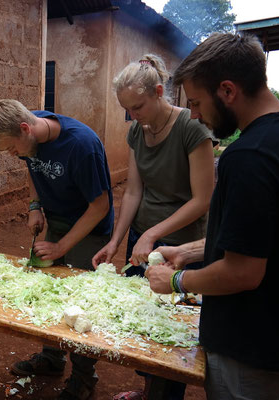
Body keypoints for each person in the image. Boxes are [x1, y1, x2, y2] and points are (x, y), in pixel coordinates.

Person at [145, 33, 279, 400]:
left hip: (254, 351)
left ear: (227, 91)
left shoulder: (248, 156)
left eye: (195, 102)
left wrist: (176, 280)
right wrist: (189, 252)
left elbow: (243, 272)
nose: (193, 114)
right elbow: (260, 237)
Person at [91, 54, 214, 400]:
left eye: (138, 106)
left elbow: (202, 200)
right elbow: (133, 191)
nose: (132, 115)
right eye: (126, 109)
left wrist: (153, 233)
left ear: (160, 91)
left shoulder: (192, 128)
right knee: (143, 324)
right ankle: (148, 391)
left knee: (173, 331)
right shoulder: (136, 131)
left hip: (183, 245)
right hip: (143, 240)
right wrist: (116, 241)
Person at [0, 99, 114, 400]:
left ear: (25, 128)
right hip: (56, 219)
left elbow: (100, 205)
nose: (11, 155)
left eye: (10, 148)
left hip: (89, 229)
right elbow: (32, 166)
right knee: (48, 292)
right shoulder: (29, 136)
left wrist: (61, 246)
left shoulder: (83, 146)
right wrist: (34, 206)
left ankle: (84, 377)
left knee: (81, 302)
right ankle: (52, 359)